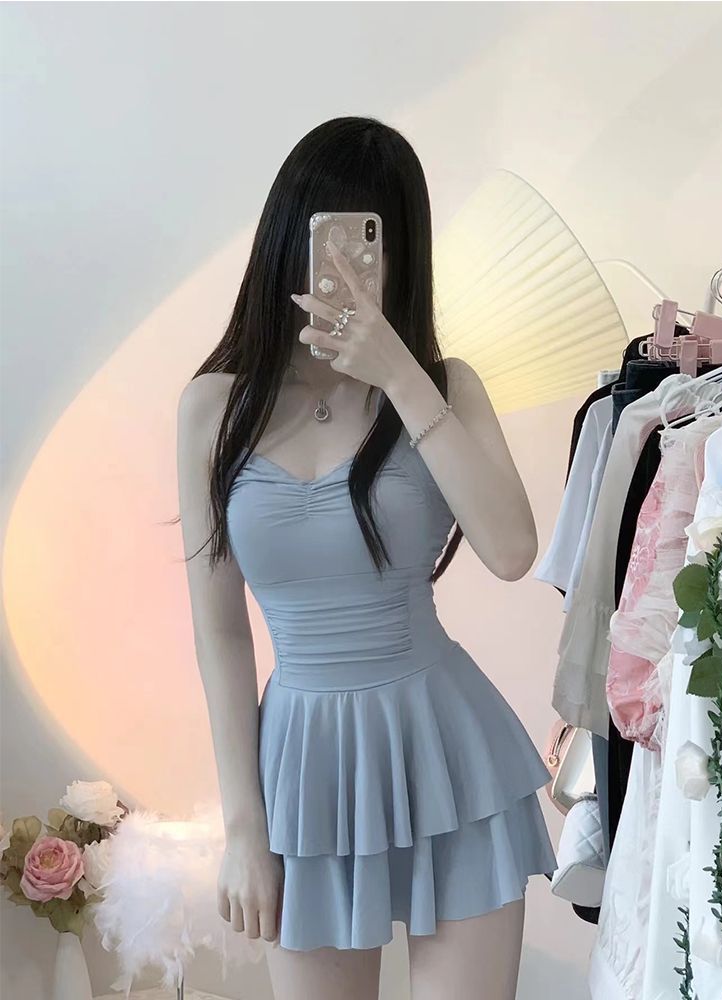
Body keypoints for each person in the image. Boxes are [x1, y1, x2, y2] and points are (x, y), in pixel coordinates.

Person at [176, 116, 556, 1000]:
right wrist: (244, 827)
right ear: (286, 236)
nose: (343, 264)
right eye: (327, 234)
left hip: (447, 755)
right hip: (303, 771)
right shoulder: (213, 408)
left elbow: (511, 550)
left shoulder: (446, 387)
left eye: (370, 238)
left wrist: (400, 374)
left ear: (403, 252)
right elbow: (220, 634)